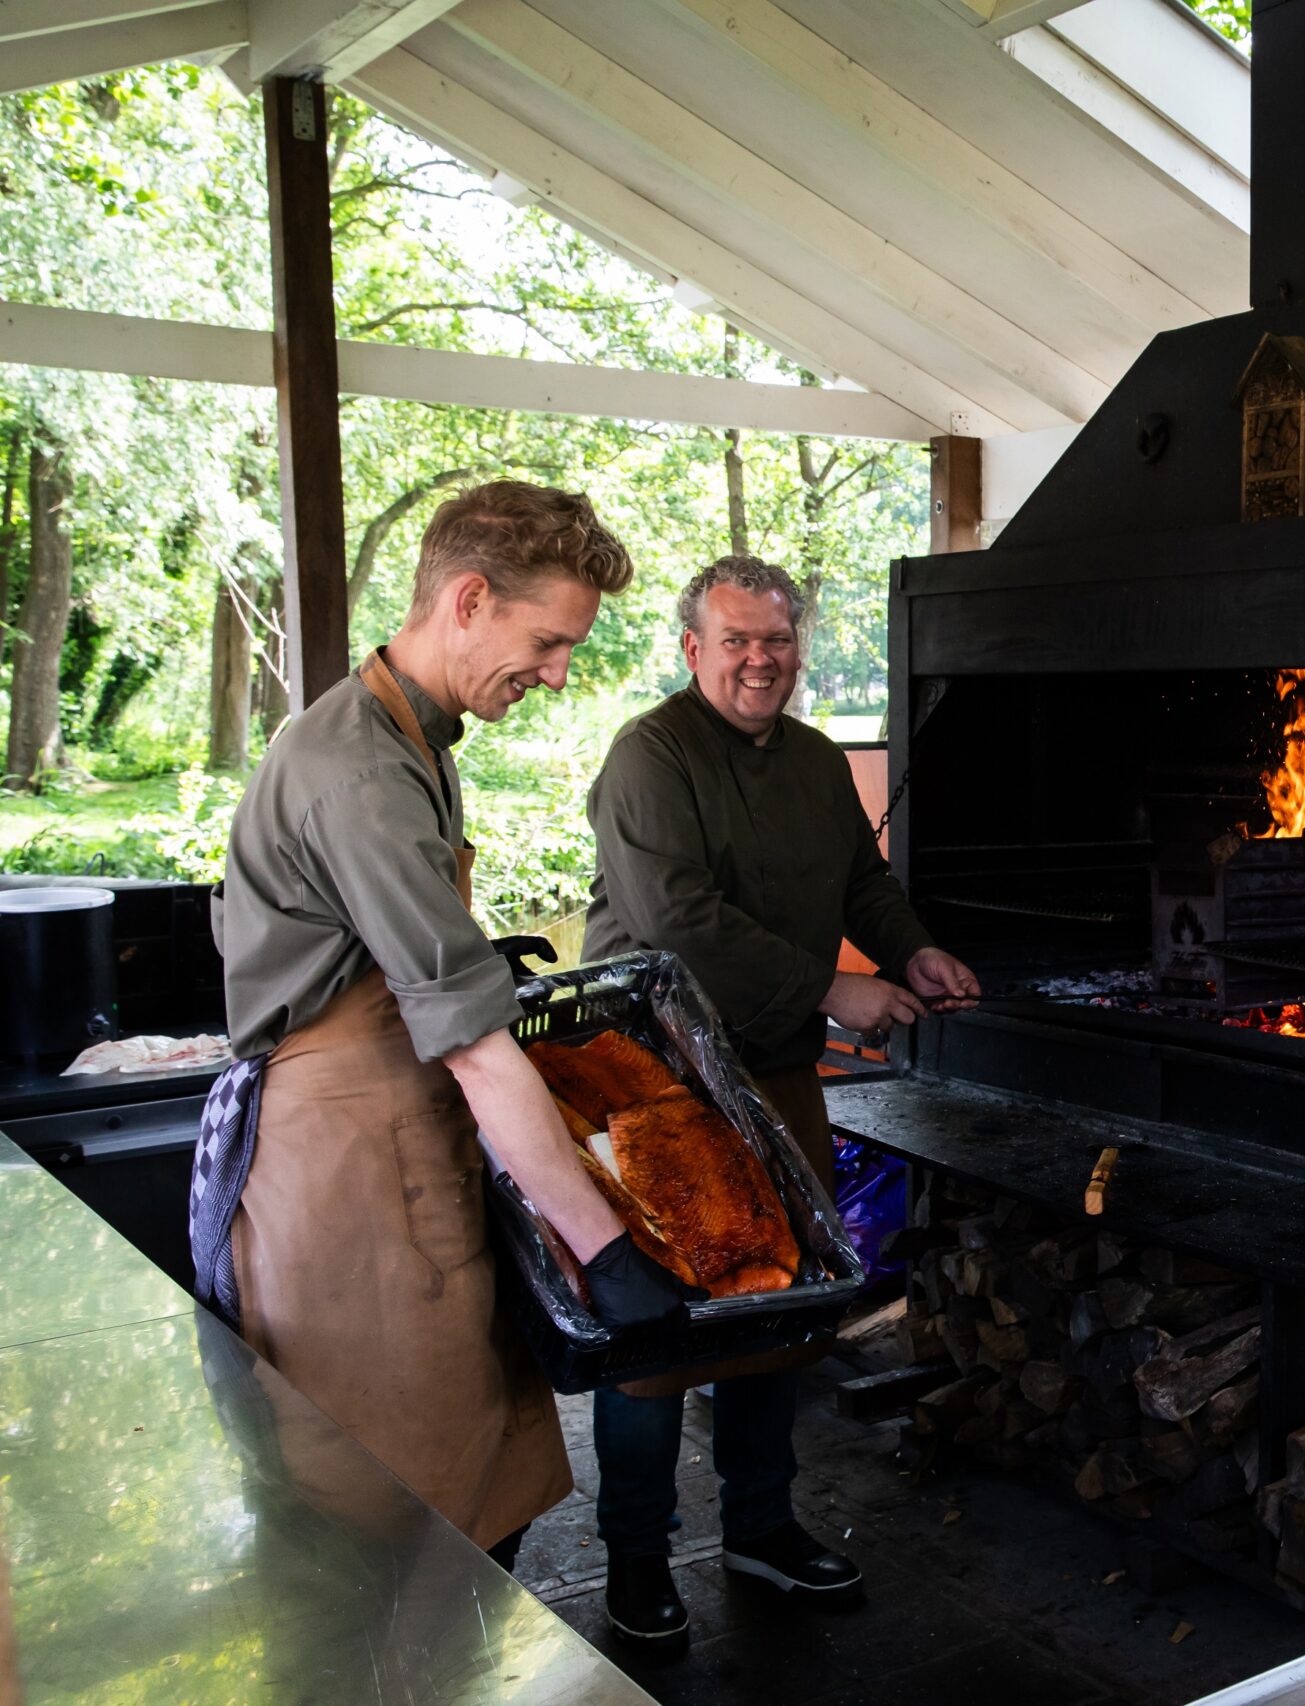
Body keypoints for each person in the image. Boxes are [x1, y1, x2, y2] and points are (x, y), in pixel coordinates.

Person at [200, 481, 696, 1573]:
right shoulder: (362, 772)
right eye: (548, 641)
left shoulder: (416, 732)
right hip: (347, 1184)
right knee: (393, 1529)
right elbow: (472, 1045)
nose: (559, 674)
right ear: (468, 598)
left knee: (478, 1493)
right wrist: (607, 1247)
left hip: (403, 1143)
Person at [582, 554, 980, 1645]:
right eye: (738, 640)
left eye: (778, 639)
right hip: (658, 1081)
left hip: (773, 1067)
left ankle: (759, 1523)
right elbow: (677, 921)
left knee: (782, 1307)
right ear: (692, 648)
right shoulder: (649, 757)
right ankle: (635, 1558)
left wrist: (914, 947)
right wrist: (833, 983)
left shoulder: (809, 760)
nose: (762, 659)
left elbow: (862, 881)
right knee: (657, 1332)